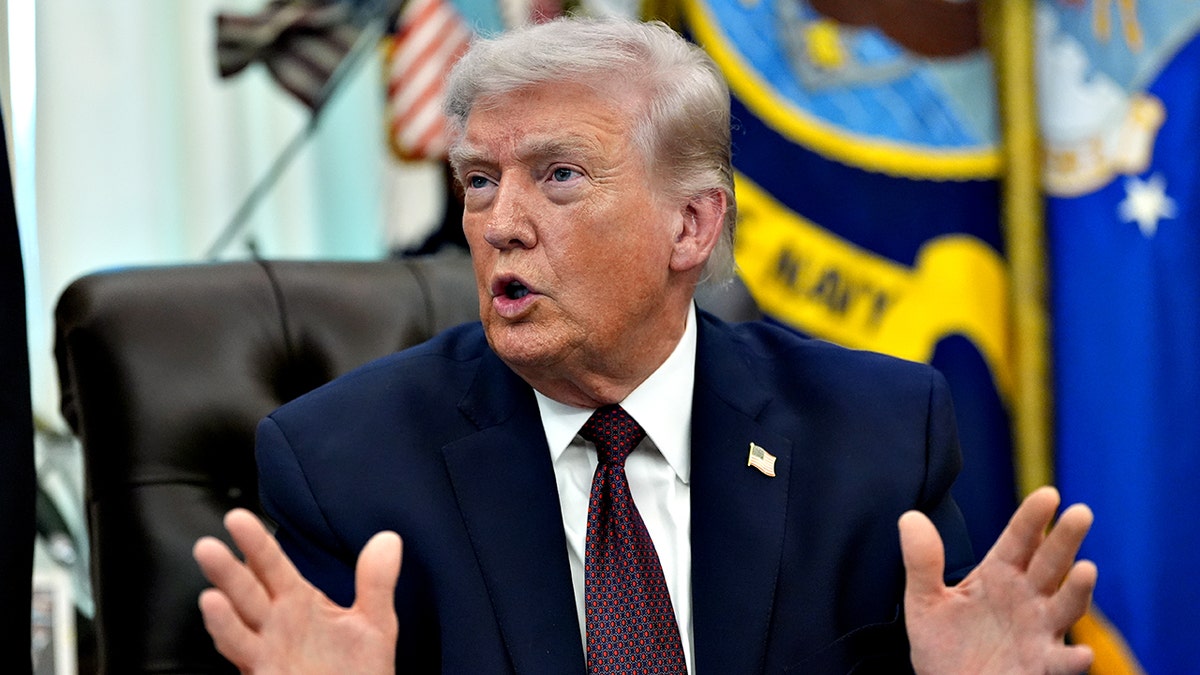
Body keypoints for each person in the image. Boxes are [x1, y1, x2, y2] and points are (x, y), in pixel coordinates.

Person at [192, 16, 1096, 674]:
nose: (500, 223)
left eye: (559, 176)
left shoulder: (877, 435)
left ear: (692, 226)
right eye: (478, 180)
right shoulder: (344, 464)